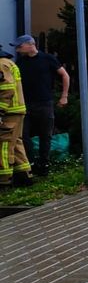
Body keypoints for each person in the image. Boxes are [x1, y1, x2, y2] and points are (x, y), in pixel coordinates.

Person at [13, 34, 69, 177]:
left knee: (45, 135)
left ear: (30, 44)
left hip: (44, 103)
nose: (18, 49)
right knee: (23, 135)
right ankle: (30, 163)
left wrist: (64, 96)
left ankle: (43, 164)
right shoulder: (20, 63)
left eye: (20, 46)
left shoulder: (47, 59)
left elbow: (64, 75)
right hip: (25, 105)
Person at [0, 49, 33, 186]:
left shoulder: (1, 65)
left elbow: (6, 89)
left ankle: (3, 180)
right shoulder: (9, 63)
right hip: (16, 111)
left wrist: (0, 111)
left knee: (3, 145)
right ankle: (24, 176)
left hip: (9, 113)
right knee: (16, 143)